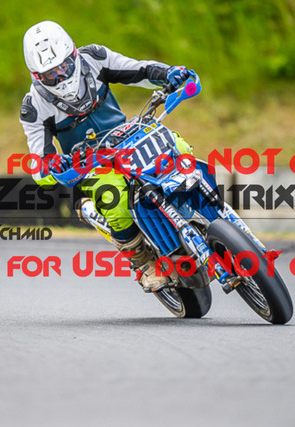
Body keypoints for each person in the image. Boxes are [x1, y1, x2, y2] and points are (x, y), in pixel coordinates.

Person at [19, 20, 192, 292]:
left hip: (129, 139)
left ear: (74, 55)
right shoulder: (33, 107)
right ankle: (144, 263)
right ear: (37, 76)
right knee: (114, 199)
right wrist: (53, 164)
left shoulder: (94, 57)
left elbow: (139, 70)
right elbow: (39, 164)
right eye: (51, 74)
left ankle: (207, 209)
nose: (61, 77)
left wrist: (169, 73)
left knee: (178, 147)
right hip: (88, 166)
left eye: (64, 66)